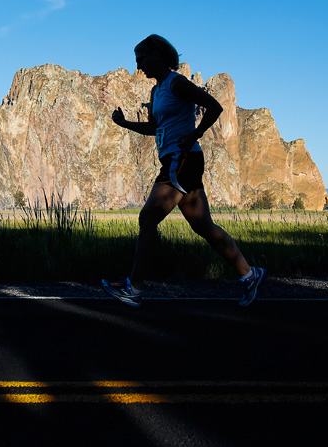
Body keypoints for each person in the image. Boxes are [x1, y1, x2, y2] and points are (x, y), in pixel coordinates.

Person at [102, 34, 266, 307]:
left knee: (147, 218)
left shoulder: (177, 82)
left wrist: (196, 134)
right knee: (202, 225)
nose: (139, 66)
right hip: (175, 159)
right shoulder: (156, 91)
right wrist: (125, 123)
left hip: (184, 158)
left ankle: (134, 287)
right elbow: (155, 128)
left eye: (142, 59)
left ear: (157, 54)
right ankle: (249, 275)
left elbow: (214, 107)